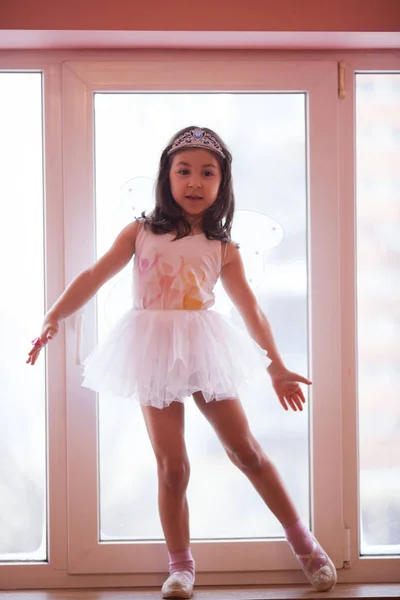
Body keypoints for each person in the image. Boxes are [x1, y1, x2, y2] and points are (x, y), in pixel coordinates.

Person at [27, 126, 337, 598]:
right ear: (167, 178)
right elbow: (93, 275)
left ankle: (305, 544)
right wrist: (53, 316)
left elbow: (251, 310)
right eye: (184, 171)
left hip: (204, 347)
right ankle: (181, 566)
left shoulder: (224, 248)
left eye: (207, 173)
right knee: (173, 466)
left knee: (246, 451)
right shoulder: (140, 232)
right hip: (151, 350)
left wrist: (276, 365)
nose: (195, 182)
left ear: (221, 183)